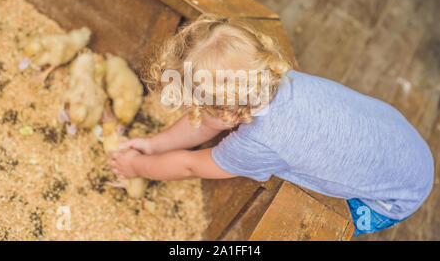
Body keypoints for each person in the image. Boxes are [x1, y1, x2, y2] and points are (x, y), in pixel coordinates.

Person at [109, 13, 433, 236]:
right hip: (398, 136)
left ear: (226, 114)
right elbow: (207, 124)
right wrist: (152, 146)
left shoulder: (259, 142)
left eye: (193, 107)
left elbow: (192, 166)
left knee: (319, 219)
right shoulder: (271, 75)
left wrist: (136, 166)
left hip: (392, 198)